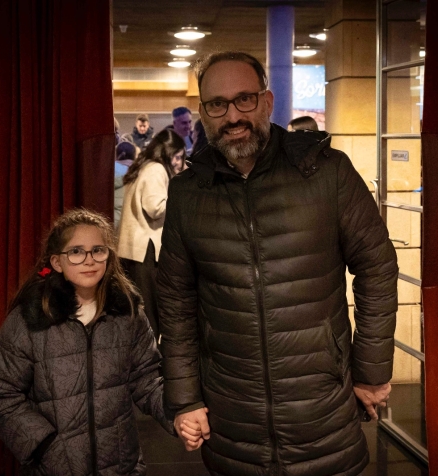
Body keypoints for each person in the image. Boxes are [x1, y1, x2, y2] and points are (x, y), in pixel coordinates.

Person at [156, 51, 398, 476]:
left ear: (267, 102)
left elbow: (376, 266)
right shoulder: (188, 192)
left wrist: (372, 370)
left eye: (244, 99)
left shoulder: (327, 172)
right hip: (232, 413)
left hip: (323, 402)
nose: (232, 115)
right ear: (204, 113)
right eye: (218, 104)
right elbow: (176, 303)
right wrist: (185, 398)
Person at [0, 209, 182, 475]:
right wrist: (45, 446)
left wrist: (179, 415)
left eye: (98, 249)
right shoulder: (30, 319)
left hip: (121, 466)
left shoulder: (127, 314)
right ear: (56, 261)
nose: (89, 260)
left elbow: (146, 380)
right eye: (76, 251)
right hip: (55, 468)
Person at [118, 129, 186, 338]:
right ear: (167, 152)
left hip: (131, 249)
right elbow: (154, 208)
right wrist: (178, 196)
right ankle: (152, 361)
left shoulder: (143, 165)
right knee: (150, 314)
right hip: (145, 251)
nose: (179, 162)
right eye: (178, 156)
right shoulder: (157, 169)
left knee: (141, 311)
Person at [114, 141, 137, 227]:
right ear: (134, 155)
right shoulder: (138, 171)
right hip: (131, 221)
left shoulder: (109, 169)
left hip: (111, 219)